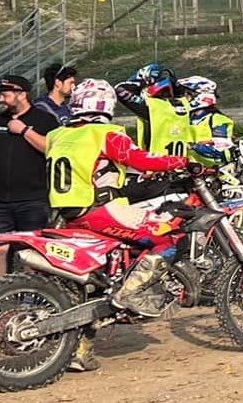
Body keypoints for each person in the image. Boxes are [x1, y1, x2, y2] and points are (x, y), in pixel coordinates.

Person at [46, 78, 191, 372]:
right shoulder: (106, 133)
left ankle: (80, 351)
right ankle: (131, 293)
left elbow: (92, 166)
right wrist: (180, 162)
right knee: (166, 238)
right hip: (100, 210)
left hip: (67, 214)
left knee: (94, 283)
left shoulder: (56, 135)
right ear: (106, 105)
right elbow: (142, 159)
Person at [0, 74, 58, 281]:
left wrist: (24, 131)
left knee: (30, 252)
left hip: (33, 201)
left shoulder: (45, 120)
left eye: (5, 95)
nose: (0, 100)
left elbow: (51, 149)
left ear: (21, 95)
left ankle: (31, 295)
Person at [116, 63, 197, 158]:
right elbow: (186, 94)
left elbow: (120, 90)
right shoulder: (185, 105)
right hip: (182, 162)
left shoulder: (152, 108)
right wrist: (176, 86)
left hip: (157, 163)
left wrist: (142, 80)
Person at [180, 75, 236, 146]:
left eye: (187, 96)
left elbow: (220, 148)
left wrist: (192, 146)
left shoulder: (218, 120)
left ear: (199, 96)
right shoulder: (184, 119)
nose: (183, 99)